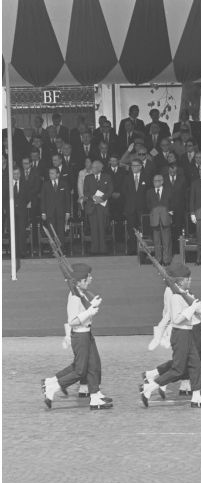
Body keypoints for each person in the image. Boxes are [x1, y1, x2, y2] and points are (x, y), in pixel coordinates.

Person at [143, 263, 201, 400]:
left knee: (196, 363)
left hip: (191, 329)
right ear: (181, 281)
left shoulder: (184, 293)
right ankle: (153, 383)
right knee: (180, 367)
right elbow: (173, 316)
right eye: (188, 279)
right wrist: (161, 333)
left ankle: (197, 394)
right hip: (183, 332)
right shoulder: (173, 294)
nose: (191, 280)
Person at [42, 263, 113, 410]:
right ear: (80, 281)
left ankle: (95, 396)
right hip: (80, 337)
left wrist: (90, 305)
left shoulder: (80, 293)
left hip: (87, 334)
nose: (90, 280)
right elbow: (73, 321)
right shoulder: (74, 297)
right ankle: (52, 388)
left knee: (94, 364)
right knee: (80, 371)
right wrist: (90, 312)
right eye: (87, 278)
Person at [83, 160, 113, 255]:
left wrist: (103, 198)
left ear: (101, 168)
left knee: (102, 227)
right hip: (92, 205)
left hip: (102, 206)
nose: (93, 169)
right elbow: (85, 191)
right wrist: (92, 197)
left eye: (96, 167)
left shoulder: (107, 177)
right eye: (92, 167)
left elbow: (110, 190)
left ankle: (103, 249)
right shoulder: (88, 178)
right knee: (94, 228)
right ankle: (94, 249)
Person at [145, 174, 173, 265]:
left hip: (165, 218)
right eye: (154, 181)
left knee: (166, 241)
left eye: (157, 181)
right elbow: (148, 205)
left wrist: (168, 212)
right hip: (155, 219)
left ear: (162, 182)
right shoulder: (149, 192)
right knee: (156, 241)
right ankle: (158, 260)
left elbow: (172, 203)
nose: (155, 183)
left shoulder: (168, 191)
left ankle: (166, 260)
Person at [41, 167, 71, 246]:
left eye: (52, 173)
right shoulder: (45, 184)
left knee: (61, 231)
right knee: (51, 231)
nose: (50, 175)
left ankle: (61, 249)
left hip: (61, 211)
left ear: (58, 174)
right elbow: (43, 199)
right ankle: (53, 251)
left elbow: (68, 199)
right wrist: (43, 212)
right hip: (49, 212)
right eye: (49, 173)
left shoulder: (64, 184)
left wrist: (68, 211)